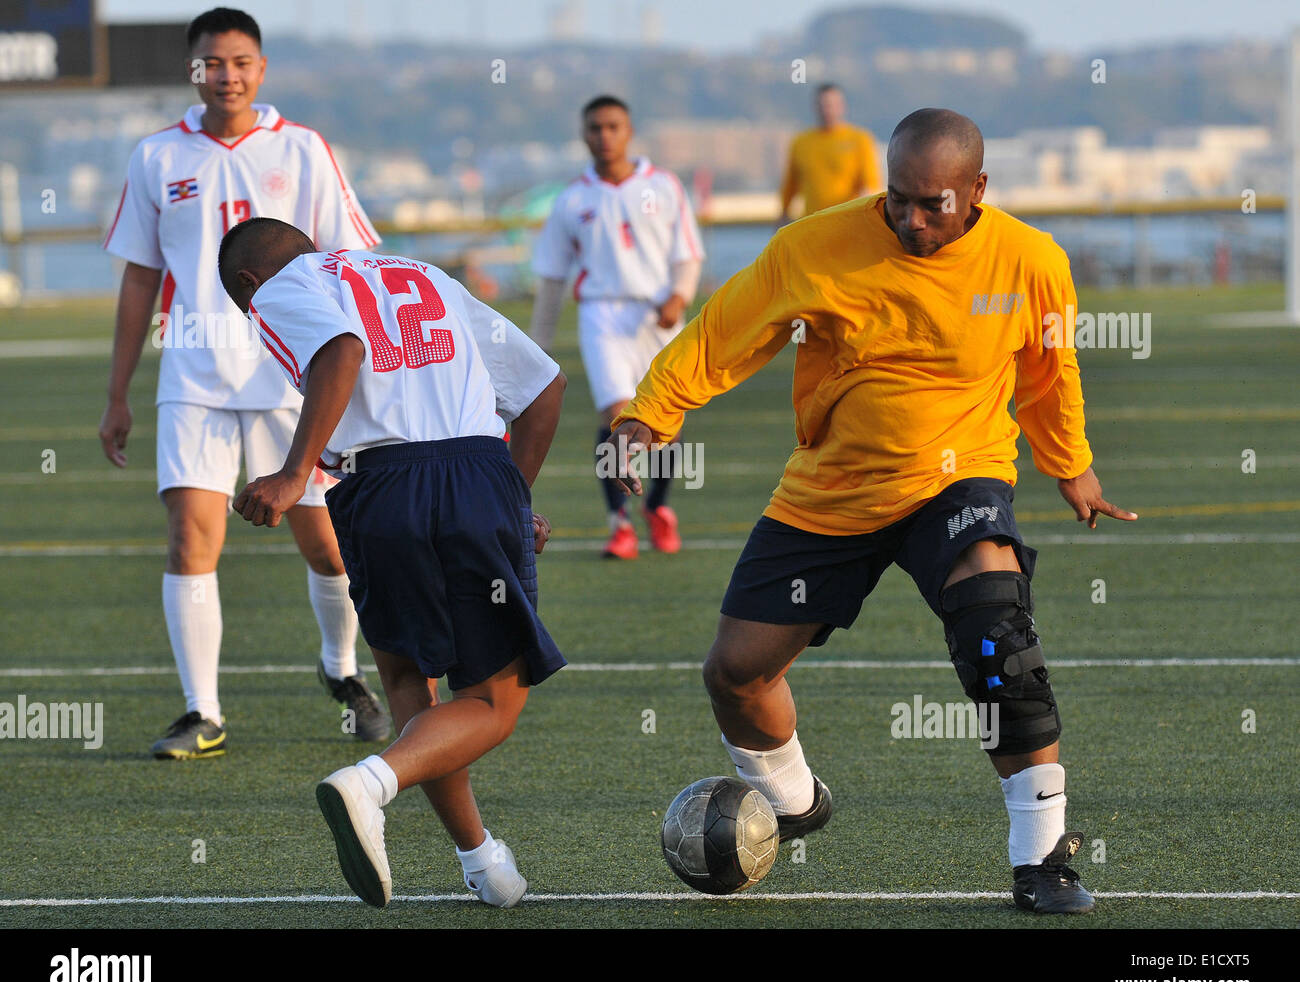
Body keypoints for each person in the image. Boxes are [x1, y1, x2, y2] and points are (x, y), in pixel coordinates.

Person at [611, 108, 1138, 914]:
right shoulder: (814, 247)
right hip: (833, 488)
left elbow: (1048, 371)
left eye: (935, 204)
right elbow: (725, 331)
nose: (913, 219)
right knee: (737, 675)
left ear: (978, 191)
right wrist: (653, 411)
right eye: (899, 199)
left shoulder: (1031, 260)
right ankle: (792, 801)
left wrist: (1072, 467)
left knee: (998, 632)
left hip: (959, 480)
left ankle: (1043, 856)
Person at [219, 217, 567, 908]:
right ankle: (396, 799)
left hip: (378, 486)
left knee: (408, 677)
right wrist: (511, 500)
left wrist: (292, 476)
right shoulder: (423, 273)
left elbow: (341, 349)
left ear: (249, 284)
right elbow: (543, 389)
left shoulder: (280, 286)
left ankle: (478, 860)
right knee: (494, 702)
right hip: (475, 474)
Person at [99, 7, 390, 759]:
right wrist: (118, 391)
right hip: (193, 376)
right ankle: (203, 713)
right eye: (210, 63)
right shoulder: (157, 156)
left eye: (240, 62)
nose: (226, 75)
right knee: (191, 538)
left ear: (260, 69)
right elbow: (139, 278)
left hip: (293, 382)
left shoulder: (302, 150)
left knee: (328, 547)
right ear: (192, 70)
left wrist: (365, 370)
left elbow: (351, 263)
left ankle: (343, 671)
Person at [530, 95, 704, 559]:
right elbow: (551, 278)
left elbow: (687, 254)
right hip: (601, 314)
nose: (604, 136)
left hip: (658, 313)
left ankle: (659, 508)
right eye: (595, 128)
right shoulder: (573, 199)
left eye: (613, 127)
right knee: (617, 415)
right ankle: (619, 522)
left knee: (666, 420)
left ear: (628, 131)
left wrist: (680, 296)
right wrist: (536, 347)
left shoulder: (664, 187)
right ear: (584, 134)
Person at [778, 83, 882, 225]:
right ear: (815, 107)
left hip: (847, 223)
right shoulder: (801, 142)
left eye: (831, 104)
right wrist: (782, 218)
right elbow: (790, 187)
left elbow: (870, 184)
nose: (826, 110)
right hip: (811, 223)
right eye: (822, 104)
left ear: (842, 106)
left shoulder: (859, 140)